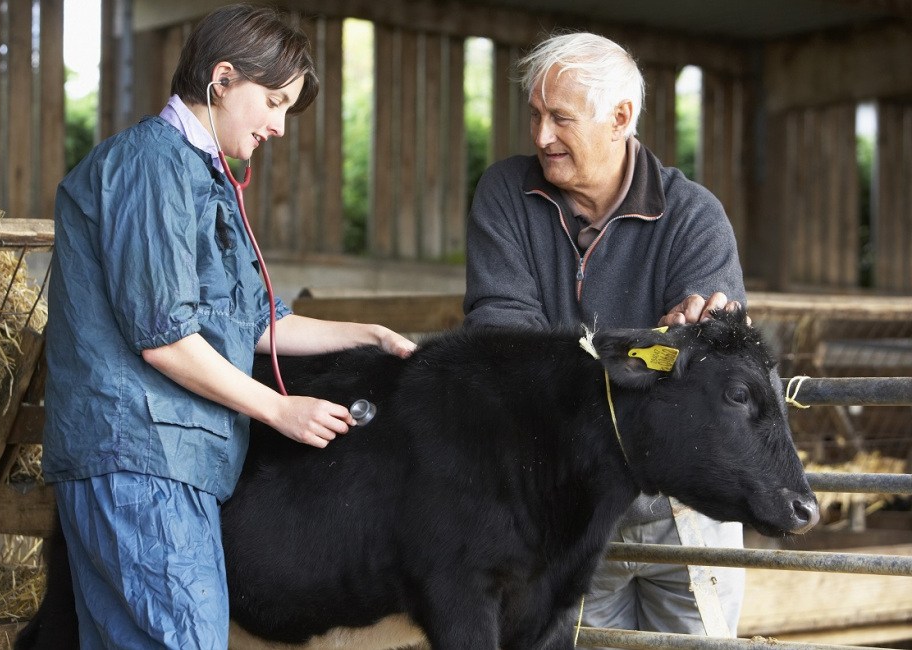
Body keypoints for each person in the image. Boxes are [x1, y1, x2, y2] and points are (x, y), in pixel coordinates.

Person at [42, 5, 416, 649]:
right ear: (221, 80)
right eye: (272, 102)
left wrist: (368, 332)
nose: (277, 125)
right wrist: (280, 409)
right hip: (140, 457)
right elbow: (164, 339)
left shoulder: (201, 176)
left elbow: (256, 322)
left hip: (170, 461)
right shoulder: (151, 168)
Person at [462, 31, 747, 647]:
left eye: (560, 118)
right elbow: (502, 344)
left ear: (621, 118)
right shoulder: (506, 194)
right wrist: (652, 352)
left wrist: (696, 348)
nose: (540, 136)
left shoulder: (694, 216)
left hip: (686, 508)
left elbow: (711, 366)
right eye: (534, 114)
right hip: (572, 502)